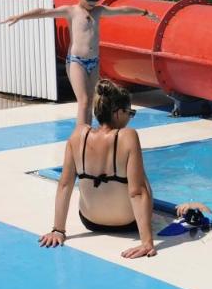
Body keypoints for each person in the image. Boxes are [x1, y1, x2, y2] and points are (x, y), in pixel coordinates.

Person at [2, 0, 158, 127]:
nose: (93, 2)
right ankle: (81, 135)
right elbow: (43, 12)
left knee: (90, 101)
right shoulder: (71, 11)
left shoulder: (98, 11)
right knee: (83, 101)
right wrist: (20, 16)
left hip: (94, 62)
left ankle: (86, 132)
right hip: (77, 62)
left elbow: (122, 10)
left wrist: (144, 12)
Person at [39, 79, 157, 258]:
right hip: (127, 223)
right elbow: (137, 192)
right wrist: (147, 242)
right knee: (141, 178)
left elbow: (64, 184)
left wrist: (58, 230)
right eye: (130, 113)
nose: (130, 118)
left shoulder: (78, 135)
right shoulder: (128, 137)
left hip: (90, 221)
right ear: (118, 113)